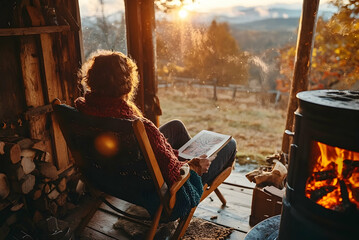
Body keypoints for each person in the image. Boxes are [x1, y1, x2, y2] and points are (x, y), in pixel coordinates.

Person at [74, 50, 237, 218]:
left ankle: (186, 157)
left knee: (176, 126)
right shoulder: (138, 126)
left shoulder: (83, 110)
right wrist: (194, 167)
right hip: (148, 187)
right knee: (230, 145)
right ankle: (203, 172)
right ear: (128, 83)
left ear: (92, 79)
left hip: (108, 176)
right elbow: (174, 175)